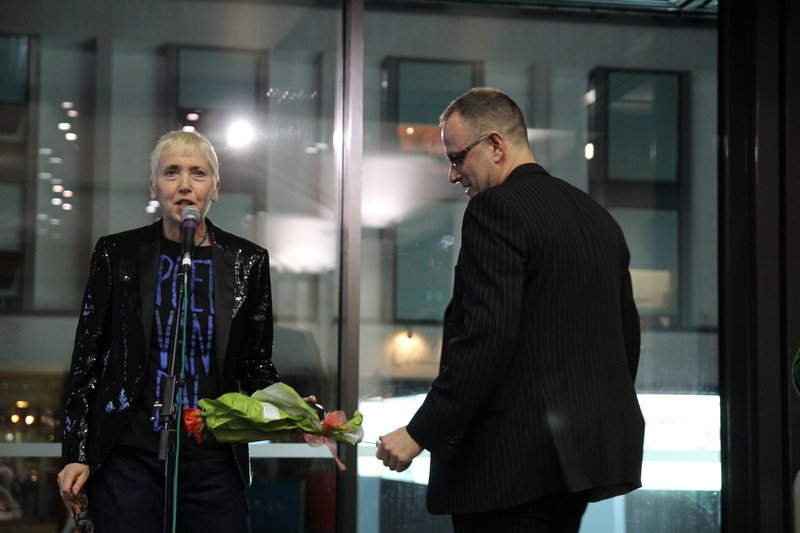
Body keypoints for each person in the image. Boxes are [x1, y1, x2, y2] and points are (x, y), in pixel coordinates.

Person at [376, 87, 645, 532]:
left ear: (496, 145)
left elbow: (488, 336)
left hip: (506, 465)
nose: (453, 174)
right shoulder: (597, 217)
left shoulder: (495, 209)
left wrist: (421, 431)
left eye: (457, 157)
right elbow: (625, 340)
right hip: (580, 465)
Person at [57, 130, 288, 532]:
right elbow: (87, 361)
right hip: (130, 459)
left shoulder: (248, 261)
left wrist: (290, 406)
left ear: (215, 188)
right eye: (171, 172)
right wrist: (76, 451)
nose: (184, 185)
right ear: (154, 187)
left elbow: (254, 362)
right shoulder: (117, 254)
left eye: (198, 173)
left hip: (215, 460)